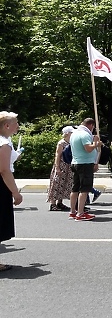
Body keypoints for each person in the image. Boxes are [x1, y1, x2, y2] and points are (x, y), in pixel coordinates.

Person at [0, 111, 23, 272]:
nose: (18, 126)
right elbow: (4, 170)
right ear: (7, 126)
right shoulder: (4, 144)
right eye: (16, 123)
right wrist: (15, 192)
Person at [69, 118, 102, 221]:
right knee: (84, 189)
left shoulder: (74, 133)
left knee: (75, 189)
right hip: (85, 164)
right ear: (91, 125)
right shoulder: (84, 134)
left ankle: (73, 212)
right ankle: (80, 213)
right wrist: (96, 144)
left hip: (76, 163)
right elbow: (88, 148)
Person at [47, 126, 75, 211]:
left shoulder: (71, 143)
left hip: (68, 166)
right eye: (71, 132)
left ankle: (60, 202)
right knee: (56, 184)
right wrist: (57, 167)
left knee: (65, 184)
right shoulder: (61, 143)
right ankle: (53, 204)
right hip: (61, 165)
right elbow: (57, 155)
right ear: (67, 133)